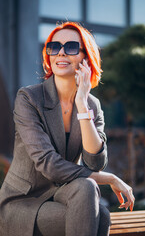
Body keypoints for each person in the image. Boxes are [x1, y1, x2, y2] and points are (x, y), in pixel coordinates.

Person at [0, 21, 135, 236]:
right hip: (24, 201)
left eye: (71, 47)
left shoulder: (92, 105)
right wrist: (111, 178)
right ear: (49, 56)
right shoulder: (28, 98)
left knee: (89, 188)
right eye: (54, 47)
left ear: (85, 57)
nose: (61, 53)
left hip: (64, 192)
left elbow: (95, 163)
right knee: (101, 217)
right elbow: (50, 166)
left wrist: (81, 104)